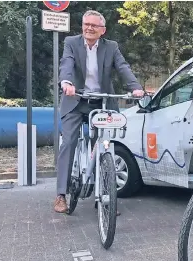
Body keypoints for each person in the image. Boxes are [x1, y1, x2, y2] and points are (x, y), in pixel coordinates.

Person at [54, 10, 145, 214]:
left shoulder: (111, 47)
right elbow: (66, 64)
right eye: (86, 24)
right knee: (68, 141)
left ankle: (104, 195)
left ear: (102, 30)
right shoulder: (71, 42)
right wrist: (66, 82)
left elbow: (123, 67)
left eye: (94, 25)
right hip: (75, 100)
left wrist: (135, 87)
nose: (89, 28)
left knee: (104, 146)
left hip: (101, 103)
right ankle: (61, 194)